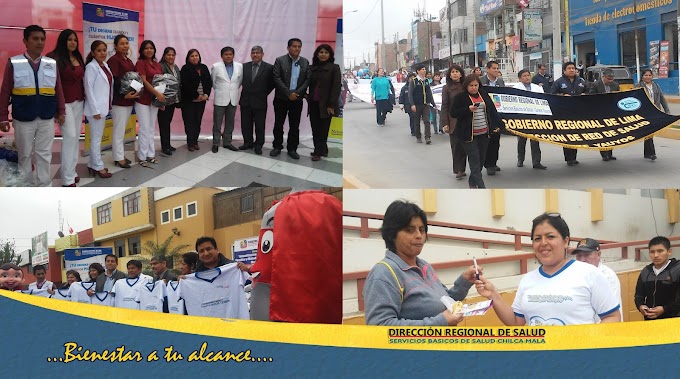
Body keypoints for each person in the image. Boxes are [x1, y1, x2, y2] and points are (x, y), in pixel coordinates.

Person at [475, 213, 621, 325]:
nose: (543, 243)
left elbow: (612, 317)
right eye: (537, 238)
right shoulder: (528, 280)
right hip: (538, 361)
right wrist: (493, 294)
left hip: (578, 360)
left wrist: (586, 343)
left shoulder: (589, 274)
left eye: (550, 236)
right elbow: (515, 322)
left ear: (565, 241)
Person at [363, 200, 480, 326]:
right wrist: (441, 321)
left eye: (422, 230)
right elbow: (380, 326)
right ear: (392, 234)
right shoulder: (383, 274)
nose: (419, 235)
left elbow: (445, 302)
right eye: (410, 230)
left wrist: (464, 282)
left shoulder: (424, 266)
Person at [0, 25, 66, 187]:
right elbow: (5, 91)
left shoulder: (51, 63)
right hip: (23, 117)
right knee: (24, 155)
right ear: (25, 41)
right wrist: (2, 117)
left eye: (42, 39)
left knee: (44, 153)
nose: (40, 42)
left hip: (46, 116)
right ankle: (26, 186)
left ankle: (45, 185)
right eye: (35, 39)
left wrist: (61, 110)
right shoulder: (15, 62)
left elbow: (58, 89)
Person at [451, 74, 503, 189]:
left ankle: (472, 182)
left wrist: (499, 124)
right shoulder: (461, 97)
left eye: (476, 85)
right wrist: (468, 109)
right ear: (466, 86)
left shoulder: (483, 95)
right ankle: (481, 187)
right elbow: (453, 113)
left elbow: (492, 111)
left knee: (480, 160)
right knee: (474, 161)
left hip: (484, 133)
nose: (474, 88)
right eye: (471, 85)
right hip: (468, 136)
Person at [47, 29, 84, 187]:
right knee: (69, 138)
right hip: (64, 104)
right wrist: (58, 110)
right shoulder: (53, 58)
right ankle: (67, 178)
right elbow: (51, 85)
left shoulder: (77, 57)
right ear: (63, 40)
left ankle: (72, 171)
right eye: (69, 39)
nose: (73, 42)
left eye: (75, 40)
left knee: (75, 139)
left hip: (79, 101)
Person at [271, 38, 311, 160]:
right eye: (294, 46)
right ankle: (277, 146)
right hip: (281, 98)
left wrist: (297, 94)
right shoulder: (280, 60)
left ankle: (292, 148)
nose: (297, 49)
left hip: (297, 99)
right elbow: (276, 78)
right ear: (288, 48)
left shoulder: (305, 62)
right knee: (279, 123)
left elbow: (307, 80)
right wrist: (288, 93)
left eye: (299, 46)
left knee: (294, 125)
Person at [107, 34, 139, 169]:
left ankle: (119, 155)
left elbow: (133, 78)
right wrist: (124, 94)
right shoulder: (114, 60)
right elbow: (114, 81)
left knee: (122, 130)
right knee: (118, 131)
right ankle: (118, 158)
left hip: (129, 100)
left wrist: (137, 90)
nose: (125, 45)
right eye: (122, 43)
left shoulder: (128, 60)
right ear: (115, 46)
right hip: (120, 100)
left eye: (126, 43)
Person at [572, 238, 623, 322]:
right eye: (579, 256)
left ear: (598, 254)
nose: (582, 260)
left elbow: (611, 315)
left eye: (587, 255)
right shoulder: (575, 274)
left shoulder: (607, 276)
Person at [83, 40, 114, 179]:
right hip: (95, 110)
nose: (103, 53)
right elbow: (88, 89)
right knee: (96, 140)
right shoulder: (91, 67)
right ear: (93, 52)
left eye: (104, 50)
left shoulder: (105, 65)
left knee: (97, 138)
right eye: (99, 50)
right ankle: (98, 166)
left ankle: (92, 163)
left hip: (103, 106)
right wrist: (95, 110)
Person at [239, 46, 274, 155]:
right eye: (253, 52)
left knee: (259, 125)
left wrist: (263, 93)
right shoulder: (244, 66)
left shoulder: (269, 68)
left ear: (262, 54)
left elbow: (272, 84)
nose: (255, 55)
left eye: (258, 53)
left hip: (260, 101)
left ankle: (258, 145)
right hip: (245, 100)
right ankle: (248, 142)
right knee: (245, 124)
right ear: (250, 54)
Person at [308, 44, 341, 161]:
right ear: (317, 54)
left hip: (327, 105)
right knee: (315, 128)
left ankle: (318, 152)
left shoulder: (334, 68)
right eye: (321, 52)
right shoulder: (312, 68)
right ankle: (323, 149)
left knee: (323, 129)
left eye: (326, 52)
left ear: (330, 55)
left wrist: (331, 104)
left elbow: (336, 87)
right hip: (313, 104)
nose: (323, 54)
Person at [634, 236, 680, 320]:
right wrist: (641, 306)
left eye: (660, 251)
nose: (656, 255)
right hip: (650, 320)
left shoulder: (677, 269)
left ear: (669, 251)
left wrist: (664, 309)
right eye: (652, 252)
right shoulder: (646, 271)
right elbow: (639, 295)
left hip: (674, 320)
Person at [134, 40, 164, 166]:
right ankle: (142, 156)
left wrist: (160, 99)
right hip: (142, 100)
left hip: (154, 101)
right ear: (142, 50)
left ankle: (150, 155)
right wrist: (157, 94)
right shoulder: (140, 63)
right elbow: (144, 81)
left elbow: (161, 82)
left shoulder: (158, 65)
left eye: (151, 48)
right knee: (144, 128)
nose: (149, 50)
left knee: (151, 128)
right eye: (146, 48)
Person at [551, 62, 586, 166]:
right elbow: (552, 94)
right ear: (564, 71)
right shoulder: (558, 82)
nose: (572, 70)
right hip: (564, 113)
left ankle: (574, 157)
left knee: (575, 135)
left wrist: (585, 94)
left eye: (573, 68)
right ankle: (568, 158)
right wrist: (562, 95)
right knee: (567, 136)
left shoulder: (581, 81)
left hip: (578, 112)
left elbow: (589, 91)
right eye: (569, 68)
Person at [511, 69, 547, 170]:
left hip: (535, 117)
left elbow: (543, 100)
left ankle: (536, 162)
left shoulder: (537, 88)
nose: (527, 77)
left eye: (528, 75)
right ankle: (520, 159)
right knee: (521, 141)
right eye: (524, 76)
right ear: (520, 78)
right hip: (522, 117)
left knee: (535, 141)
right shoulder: (515, 88)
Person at [211, 46, 243, 153]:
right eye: (226, 54)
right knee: (217, 123)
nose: (228, 56)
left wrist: (231, 90)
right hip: (220, 98)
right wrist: (222, 90)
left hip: (233, 98)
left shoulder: (239, 66)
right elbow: (213, 82)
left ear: (233, 55)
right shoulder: (216, 66)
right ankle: (215, 143)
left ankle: (227, 142)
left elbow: (239, 82)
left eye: (230, 54)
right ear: (222, 56)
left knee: (230, 122)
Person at [180, 49, 212, 152]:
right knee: (189, 122)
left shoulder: (204, 67)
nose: (194, 57)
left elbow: (208, 82)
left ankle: (195, 141)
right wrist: (196, 95)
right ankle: (190, 142)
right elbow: (185, 85)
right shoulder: (185, 68)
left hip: (202, 101)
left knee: (197, 122)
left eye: (196, 55)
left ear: (199, 56)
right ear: (188, 58)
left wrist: (206, 94)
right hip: (189, 101)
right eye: (192, 56)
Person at [478, 60, 504, 176]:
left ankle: (493, 162)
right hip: (485, 114)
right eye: (494, 68)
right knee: (487, 141)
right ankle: (488, 164)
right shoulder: (481, 81)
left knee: (496, 141)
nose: (496, 70)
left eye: (497, 68)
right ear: (487, 69)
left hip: (497, 114)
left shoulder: (500, 81)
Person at [588, 68, 620, 161]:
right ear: (603, 77)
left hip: (611, 112)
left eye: (611, 79)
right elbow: (591, 97)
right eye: (608, 79)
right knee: (602, 134)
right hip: (600, 112)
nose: (610, 81)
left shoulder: (615, 85)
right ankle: (604, 154)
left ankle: (610, 153)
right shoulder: (595, 85)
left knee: (611, 134)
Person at [441, 64, 467, 180]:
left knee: (467, 146)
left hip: (466, 119)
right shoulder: (446, 88)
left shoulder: (467, 86)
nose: (455, 73)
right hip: (453, 121)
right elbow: (445, 106)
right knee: (456, 146)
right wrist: (445, 123)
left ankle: (467, 168)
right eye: (453, 72)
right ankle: (459, 170)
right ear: (449, 75)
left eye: (457, 71)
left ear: (461, 74)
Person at [636, 68, 668, 161]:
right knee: (649, 132)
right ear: (642, 77)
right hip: (644, 113)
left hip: (655, 111)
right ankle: (652, 153)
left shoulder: (656, 85)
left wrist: (667, 110)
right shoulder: (638, 87)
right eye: (646, 75)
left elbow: (662, 98)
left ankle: (647, 153)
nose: (648, 77)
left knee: (650, 132)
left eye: (650, 75)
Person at [158, 47, 181, 156]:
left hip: (172, 100)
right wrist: (161, 100)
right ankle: (164, 146)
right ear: (164, 56)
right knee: (163, 124)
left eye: (173, 55)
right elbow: (159, 83)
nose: (171, 57)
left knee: (167, 123)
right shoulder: (161, 66)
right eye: (168, 55)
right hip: (164, 100)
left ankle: (168, 144)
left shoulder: (175, 67)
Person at [408, 65, 436, 144]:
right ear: (418, 71)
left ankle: (427, 137)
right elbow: (410, 94)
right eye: (422, 69)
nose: (424, 71)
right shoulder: (414, 81)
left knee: (427, 121)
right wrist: (412, 104)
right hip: (417, 104)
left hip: (425, 104)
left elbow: (429, 93)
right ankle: (418, 136)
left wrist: (433, 103)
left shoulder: (426, 80)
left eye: (425, 69)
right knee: (417, 121)